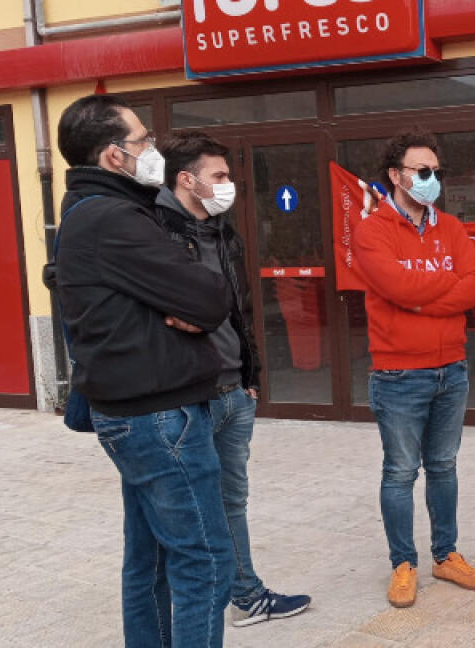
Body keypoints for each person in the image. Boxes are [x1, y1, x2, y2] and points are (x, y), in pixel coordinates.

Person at [51, 95, 233, 647]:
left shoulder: (99, 210)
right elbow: (209, 298)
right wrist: (192, 307)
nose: (153, 149)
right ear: (114, 155)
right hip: (159, 418)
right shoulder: (113, 219)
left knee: (150, 560)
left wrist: (186, 304)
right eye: (144, 141)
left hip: (138, 413)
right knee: (205, 562)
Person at [157, 132, 312, 627]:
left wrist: (250, 375)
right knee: (186, 510)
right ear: (187, 180)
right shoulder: (153, 233)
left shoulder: (224, 235)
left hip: (233, 393)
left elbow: (241, 314)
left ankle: (245, 594)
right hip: (188, 398)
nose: (229, 185)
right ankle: (187, 610)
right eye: (219, 175)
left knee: (231, 502)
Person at [351, 130, 475, 608]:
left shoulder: (451, 227)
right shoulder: (372, 230)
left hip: (452, 368)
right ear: (396, 175)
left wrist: (418, 299)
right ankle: (403, 563)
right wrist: (441, 288)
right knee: (400, 472)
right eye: (422, 170)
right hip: (398, 376)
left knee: (444, 467)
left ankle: (445, 555)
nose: (432, 178)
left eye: (436, 171)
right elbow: (396, 286)